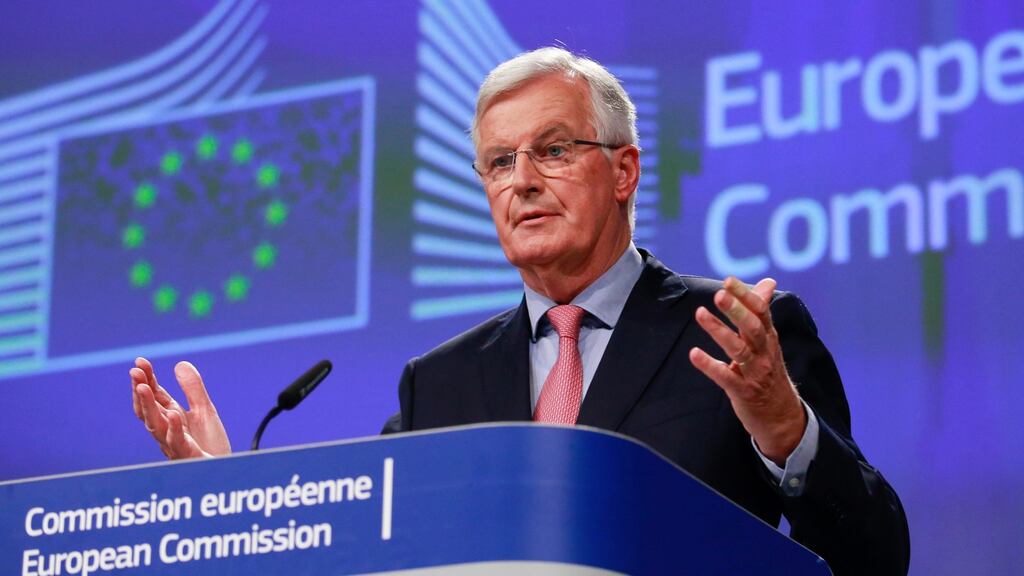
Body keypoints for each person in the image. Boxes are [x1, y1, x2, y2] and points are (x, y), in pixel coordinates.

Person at [131, 47, 910, 575]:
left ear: (625, 170)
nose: (523, 180)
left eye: (555, 149)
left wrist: (784, 430)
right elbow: (369, 550)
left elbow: (876, 557)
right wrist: (229, 500)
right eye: (499, 162)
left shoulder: (733, 334)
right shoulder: (438, 384)